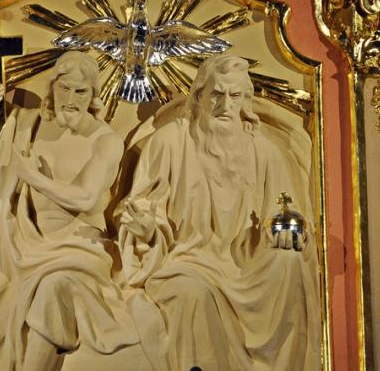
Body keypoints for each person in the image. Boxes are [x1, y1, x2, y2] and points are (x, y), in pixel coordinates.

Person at [118, 55, 321, 371]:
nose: (225, 105)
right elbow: (141, 207)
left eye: (234, 95)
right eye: (216, 94)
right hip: (186, 262)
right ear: (199, 96)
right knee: (193, 293)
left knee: (290, 263)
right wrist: (147, 230)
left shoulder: (265, 152)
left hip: (247, 265)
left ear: (245, 100)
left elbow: (285, 212)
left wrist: (285, 233)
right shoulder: (169, 143)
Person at [0, 51, 138, 371]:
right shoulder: (26, 125)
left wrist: (33, 177)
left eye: (81, 91)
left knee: (54, 286)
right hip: (22, 247)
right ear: (52, 88)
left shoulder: (105, 140)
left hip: (80, 249)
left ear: (93, 96)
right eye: (64, 88)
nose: (71, 100)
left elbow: (85, 198)